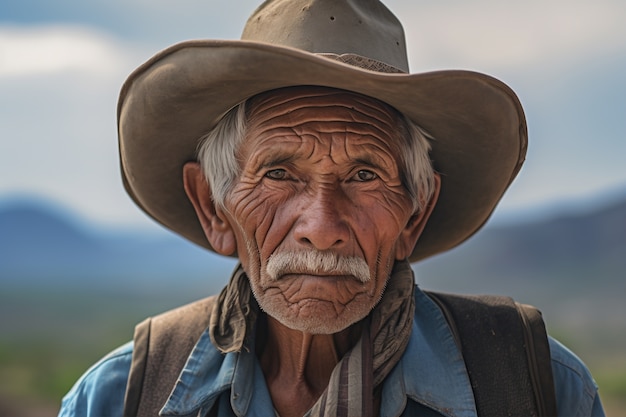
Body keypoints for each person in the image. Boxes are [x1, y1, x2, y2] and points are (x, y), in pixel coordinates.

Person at [59, 0, 605, 416]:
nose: (322, 228)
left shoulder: (539, 387)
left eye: (365, 176)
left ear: (416, 213)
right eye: (278, 174)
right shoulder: (117, 397)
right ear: (213, 206)